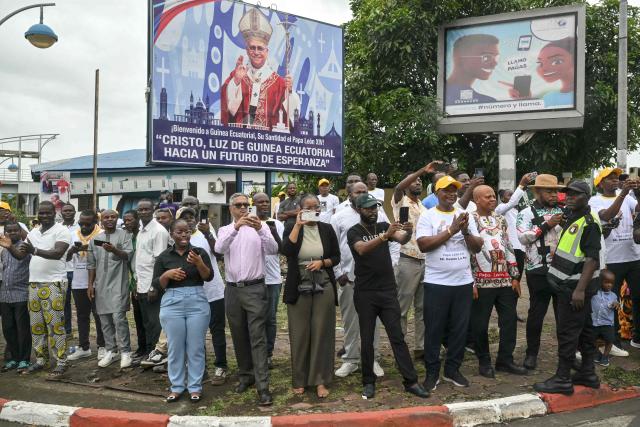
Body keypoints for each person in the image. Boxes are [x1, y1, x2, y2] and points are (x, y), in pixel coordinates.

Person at [348, 194, 429, 399]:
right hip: (365, 292)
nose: (372, 211)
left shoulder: (384, 225)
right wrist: (384, 236)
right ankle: (368, 382)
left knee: (397, 337)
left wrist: (408, 230)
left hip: (387, 290)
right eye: (367, 209)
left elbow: (401, 239)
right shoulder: (354, 231)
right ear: (358, 210)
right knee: (366, 339)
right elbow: (362, 249)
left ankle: (410, 381)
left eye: (374, 208)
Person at [535, 180, 604, 394]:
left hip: (574, 289)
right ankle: (588, 373)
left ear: (587, 197)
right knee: (585, 330)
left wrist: (580, 290)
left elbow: (592, 259)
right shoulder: (576, 216)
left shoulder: (589, 222)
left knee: (567, 333)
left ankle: (563, 378)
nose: (570, 197)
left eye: (575, 194)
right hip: (568, 285)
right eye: (568, 194)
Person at [416, 176, 483, 391]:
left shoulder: (465, 216)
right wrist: (451, 231)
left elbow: (477, 247)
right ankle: (432, 373)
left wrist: (464, 231)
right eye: (446, 190)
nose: (451, 193)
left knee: (459, 330)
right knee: (434, 329)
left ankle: (452, 369)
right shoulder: (428, 216)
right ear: (437, 193)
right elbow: (424, 245)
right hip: (437, 283)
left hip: (462, 283)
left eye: (454, 190)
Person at [215, 193, 279, 406]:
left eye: (245, 205)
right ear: (231, 208)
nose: (243, 208)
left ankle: (263, 386)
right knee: (239, 334)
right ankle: (246, 376)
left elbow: (273, 249)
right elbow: (218, 249)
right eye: (238, 205)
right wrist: (236, 228)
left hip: (255, 288)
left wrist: (260, 229)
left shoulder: (261, 227)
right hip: (232, 289)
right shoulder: (225, 230)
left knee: (257, 337)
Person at [282, 194, 340, 398]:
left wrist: (322, 263)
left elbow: (336, 257)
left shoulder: (327, 229)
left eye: (317, 207)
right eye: (309, 207)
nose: (314, 210)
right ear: (300, 208)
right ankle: (299, 379)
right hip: (299, 284)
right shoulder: (291, 227)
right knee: (300, 333)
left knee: (321, 332)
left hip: (323, 281)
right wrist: (298, 225)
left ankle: (320, 380)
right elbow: (287, 250)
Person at [470, 185, 528, 378]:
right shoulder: (470, 219)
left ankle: (505, 360)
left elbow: (508, 245)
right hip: (482, 282)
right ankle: (484, 362)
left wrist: (515, 276)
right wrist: (471, 282)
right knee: (480, 324)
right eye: (488, 197)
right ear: (477, 199)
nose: (492, 199)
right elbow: (467, 252)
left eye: (493, 196)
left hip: (504, 281)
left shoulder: (501, 219)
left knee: (509, 321)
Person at [152, 219, 213, 403]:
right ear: (172, 234)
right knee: (175, 347)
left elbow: (208, 277)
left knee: (195, 347)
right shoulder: (164, 257)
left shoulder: (199, 252)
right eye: (179, 232)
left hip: (197, 300)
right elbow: (156, 285)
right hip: (172, 301)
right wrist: (167, 275)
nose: (184, 234)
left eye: (187, 231)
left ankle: (195, 387)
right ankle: (177, 387)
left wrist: (199, 262)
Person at [331, 182, 387, 378]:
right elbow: (333, 246)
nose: (362, 194)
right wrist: (339, 272)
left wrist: (393, 264)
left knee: (374, 322)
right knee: (350, 321)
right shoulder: (339, 216)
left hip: (375, 280)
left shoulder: (379, 213)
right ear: (349, 194)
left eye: (365, 191)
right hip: (350, 278)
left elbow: (392, 238)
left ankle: (372, 359)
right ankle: (351, 360)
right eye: (358, 192)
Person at [220, 7, 300, 130]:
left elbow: (293, 116)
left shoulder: (279, 83)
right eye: (252, 48)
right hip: (240, 141)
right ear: (247, 50)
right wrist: (236, 82)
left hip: (267, 145)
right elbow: (229, 110)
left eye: (260, 48)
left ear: (267, 51)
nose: (256, 52)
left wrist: (289, 91)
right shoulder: (237, 75)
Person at [392, 162, 441, 360]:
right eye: (414, 180)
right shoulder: (400, 201)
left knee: (423, 308)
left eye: (420, 180)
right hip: (407, 260)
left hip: (425, 261)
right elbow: (398, 187)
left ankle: (421, 347)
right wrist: (421, 170)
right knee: (402, 308)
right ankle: (400, 349)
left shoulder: (423, 206)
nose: (418, 182)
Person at [516, 174, 565, 370]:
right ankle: (531, 354)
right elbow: (523, 238)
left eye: (556, 191)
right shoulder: (526, 212)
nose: (554, 195)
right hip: (538, 270)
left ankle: (567, 354)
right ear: (537, 192)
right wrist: (547, 225)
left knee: (563, 315)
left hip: (562, 269)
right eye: (549, 191)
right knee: (537, 314)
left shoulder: (563, 211)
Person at [589, 167, 639, 355]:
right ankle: (614, 341)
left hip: (634, 256)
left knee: (638, 297)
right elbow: (606, 215)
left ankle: (637, 338)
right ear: (600, 183)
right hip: (612, 259)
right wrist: (624, 193)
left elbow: (638, 209)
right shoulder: (594, 200)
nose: (615, 181)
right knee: (611, 300)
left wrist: (638, 191)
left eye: (616, 178)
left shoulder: (628, 197)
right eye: (609, 179)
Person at [175, 204, 227, 384]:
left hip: (214, 291)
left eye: (192, 217)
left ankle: (221, 366)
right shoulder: (177, 240)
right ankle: (200, 368)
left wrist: (208, 234)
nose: (189, 220)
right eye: (185, 217)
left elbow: (219, 253)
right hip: (193, 293)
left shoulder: (207, 232)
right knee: (195, 332)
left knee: (217, 330)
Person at [20, 201, 72, 376]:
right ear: (37, 214)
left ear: (54, 212)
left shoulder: (61, 231)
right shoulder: (34, 232)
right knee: (36, 325)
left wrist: (34, 250)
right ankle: (41, 360)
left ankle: (61, 361)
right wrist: (9, 247)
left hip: (54, 283)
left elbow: (58, 254)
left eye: (48, 213)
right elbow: (21, 254)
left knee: (55, 324)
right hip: (34, 283)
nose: (44, 216)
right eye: (41, 213)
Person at [88, 209, 134, 368]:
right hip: (100, 284)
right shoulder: (96, 239)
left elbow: (128, 256)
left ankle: (126, 351)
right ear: (101, 220)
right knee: (104, 320)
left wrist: (114, 249)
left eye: (113, 217)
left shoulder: (124, 235)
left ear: (117, 219)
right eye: (106, 217)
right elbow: (91, 264)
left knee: (118, 318)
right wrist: (90, 285)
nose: (109, 219)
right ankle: (111, 350)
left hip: (118, 282)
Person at [66, 210, 105, 361]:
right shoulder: (74, 235)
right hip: (78, 280)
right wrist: (72, 250)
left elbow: (103, 252)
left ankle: (102, 346)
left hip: (98, 281)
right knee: (82, 316)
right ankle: (84, 347)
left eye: (87, 224)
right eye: (81, 223)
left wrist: (87, 247)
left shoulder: (101, 234)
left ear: (96, 221)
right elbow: (67, 257)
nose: (83, 226)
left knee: (99, 315)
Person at [253, 192, 284, 370]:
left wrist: (272, 232)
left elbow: (282, 248)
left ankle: (268, 354)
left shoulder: (277, 224)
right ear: (254, 204)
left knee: (270, 318)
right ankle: (255, 353)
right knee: (255, 318)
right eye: (260, 202)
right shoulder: (248, 223)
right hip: (254, 279)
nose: (264, 204)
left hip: (272, 278)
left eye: (266, 201)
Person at [135, 199, 169, 357]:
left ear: (153, 210)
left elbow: (159, 262)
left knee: (155, 323)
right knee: (146, 322)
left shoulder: (159, 231)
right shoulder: (142, 230)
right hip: (141, 284)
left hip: (152, 286)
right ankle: (148, 353)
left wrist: (153, 287)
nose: (143, 212)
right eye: (140, 210)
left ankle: (157, 355)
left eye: (146, 209)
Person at [0, 222, 32, 373]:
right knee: (8, 329)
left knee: (22, 329)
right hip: (5, 296)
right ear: (5, 233)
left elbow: (19, 257)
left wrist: (9, 246)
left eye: (15, 230)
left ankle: (24, 359)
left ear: (20, 232)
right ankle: (13, 358)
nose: (12, 233)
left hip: (21, 294)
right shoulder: (3, 250)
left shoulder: (24, 247)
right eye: (9, 231)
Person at [446, 34, 499, 105]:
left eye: (496, 57)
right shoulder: (487, 102)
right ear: (459, 57)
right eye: (487, 57)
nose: (495, 63)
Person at [123, 210, 146, 359]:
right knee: (137, 317)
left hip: (145, 279)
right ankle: (141, 347)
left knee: (147, 318)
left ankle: (150, 348)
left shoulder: (144, 234)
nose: (126, 223)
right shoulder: (128, 236)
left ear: (137, 219)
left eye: (130, 220)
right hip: (134, 281)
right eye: (125, 221)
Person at [536, 38, 575, 108]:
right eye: (540, 63)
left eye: (557, 61)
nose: (544, 69)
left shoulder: (580, 95)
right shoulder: (548, 98)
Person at [591, 270, 619, 367]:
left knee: (609, 340)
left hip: (607, 323)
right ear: (600, 282)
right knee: (591, 339)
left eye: (611, 283)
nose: (609, 285)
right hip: (594, 322)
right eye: (606, 282)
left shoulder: (613, 295)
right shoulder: (594, 292)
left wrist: (616, 304)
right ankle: (597, 353)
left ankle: (605, 356)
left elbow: (616, 303)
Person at [61, 203, 78, 342]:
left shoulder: (81, 227)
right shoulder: (58, 229)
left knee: (80, 303)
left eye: (70, 210)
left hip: (79, 271)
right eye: (65, 210)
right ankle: (67, 331)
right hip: (63, 270)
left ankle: (83, 330)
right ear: (61, 213)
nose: (67, 212)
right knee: (64, 302)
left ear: (74, 212)